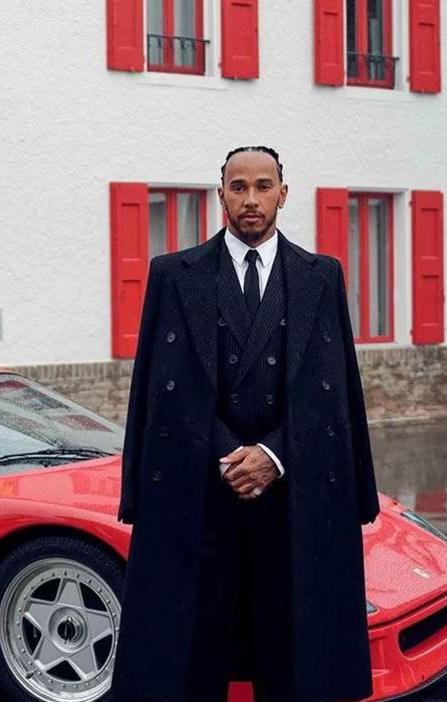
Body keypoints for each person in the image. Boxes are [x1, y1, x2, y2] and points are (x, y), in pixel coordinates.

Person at [110, 146, 380, 702]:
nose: (250, 199)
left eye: (263, 186)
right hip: (201, 495)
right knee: (193, 654)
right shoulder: (173, 275)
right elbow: (161, 391)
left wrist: (274, 456)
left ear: (284, 192)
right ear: (221, 195)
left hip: (292, 498)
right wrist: (233, 455)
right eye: (239, 187)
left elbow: (333, 393)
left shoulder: (320, 276)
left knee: (293, 654)